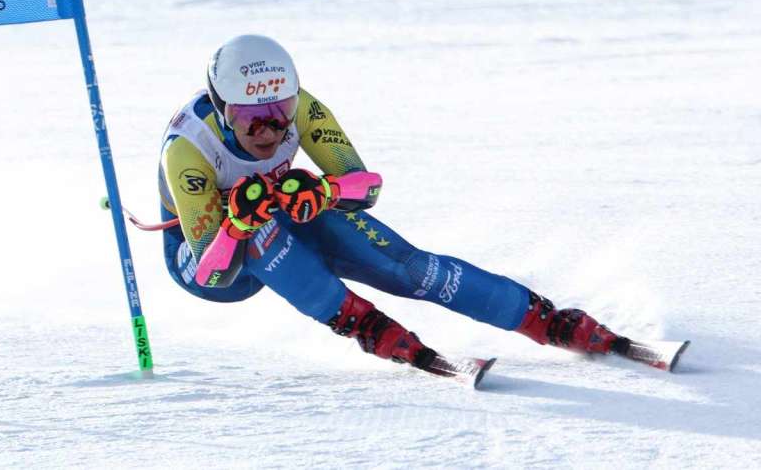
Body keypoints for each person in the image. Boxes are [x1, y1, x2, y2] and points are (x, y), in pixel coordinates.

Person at [158, 34, 629, 371]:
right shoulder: (188, 149)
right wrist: (236, 226)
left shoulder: (304, 107)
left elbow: (365, 188)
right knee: (260, 231)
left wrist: (324, 192)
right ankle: (370, 327)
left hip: (277, 213)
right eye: (250, 120)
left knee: (410, 269)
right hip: (206, 257)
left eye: (280, 114)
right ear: (221, 110)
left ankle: (544, 319)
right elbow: (214, 276)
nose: (268, 131)